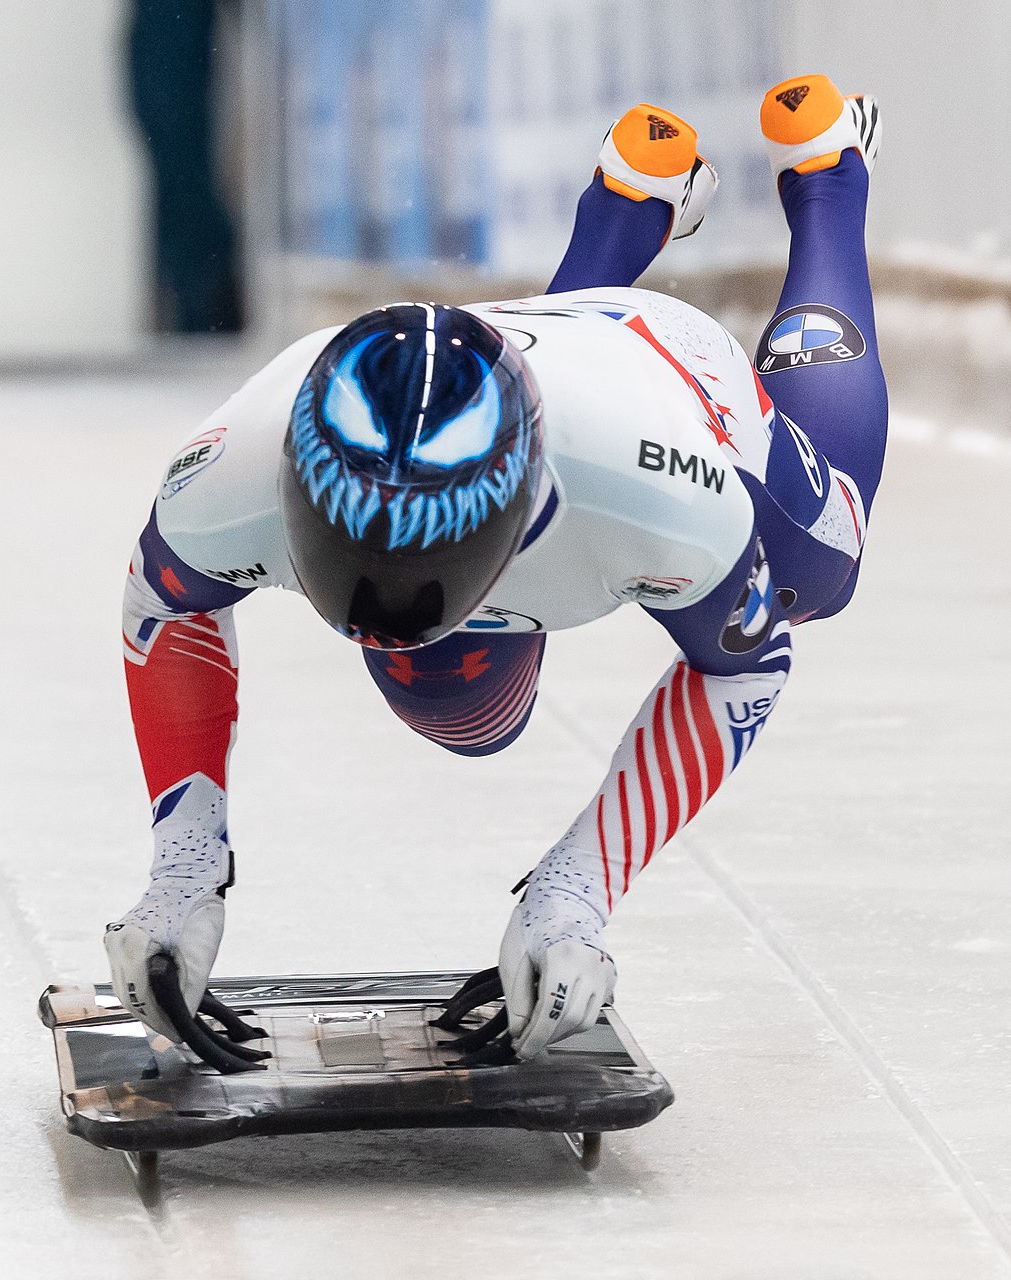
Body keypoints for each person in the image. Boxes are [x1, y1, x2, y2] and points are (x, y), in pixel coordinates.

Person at [106, 72, 887, 1059]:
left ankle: (827, 179)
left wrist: (576, 895)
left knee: (826, 570)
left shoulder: (665, 495)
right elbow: (163, 605)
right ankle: (627, 206)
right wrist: (182, 870)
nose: (379, 604)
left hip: (666, 376)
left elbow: (743, 667)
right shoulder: (237, 458)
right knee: (468, 720)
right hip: (536, 363)